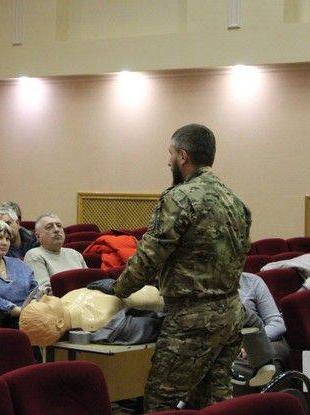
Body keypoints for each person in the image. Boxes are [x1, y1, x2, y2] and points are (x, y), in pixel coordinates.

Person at [91, 124, 251, 411]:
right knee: (214, 400)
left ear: (183, 156)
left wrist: (118, 288)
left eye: (170, 154)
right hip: (230, 313)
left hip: (193, 318)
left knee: (160, 401)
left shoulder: (179, 198)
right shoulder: (236, 201)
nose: (168, 161)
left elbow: (150, 256)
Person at [19, 285, 164, 346]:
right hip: (162, 300)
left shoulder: (64, 301)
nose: (44, 298)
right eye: (45, 304)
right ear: (59, 323)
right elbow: (152, 326)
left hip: (150, 288)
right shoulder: (100, 321)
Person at [238, 272, 289, 373]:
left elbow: (277, 323)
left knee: (267, 361)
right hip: (221, 347)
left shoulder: (252, 281)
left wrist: (253, 343)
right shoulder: (200, 290)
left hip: (258, 339)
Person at [24, 213, 87, 285]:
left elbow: (90, 282)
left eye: (59, 226)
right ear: (38, 236)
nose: (56, 230)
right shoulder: (34, 255)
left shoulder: (75, 254)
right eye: (49, 227)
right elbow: (44, 290)